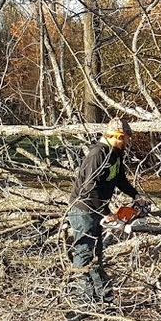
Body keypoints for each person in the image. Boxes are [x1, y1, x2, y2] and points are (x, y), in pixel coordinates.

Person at [67, 119, 146, 301]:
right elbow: (89, 188)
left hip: (96, 209)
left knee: (96, 253)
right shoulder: (98, 154)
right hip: (84, 209)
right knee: (84, 252)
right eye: (124, 138)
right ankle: (82, 299)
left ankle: (102, 296)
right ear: (115, 136)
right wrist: (106, 212)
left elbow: (119, 179)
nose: (126, 142)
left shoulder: (115, 154)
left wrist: (135, 195)